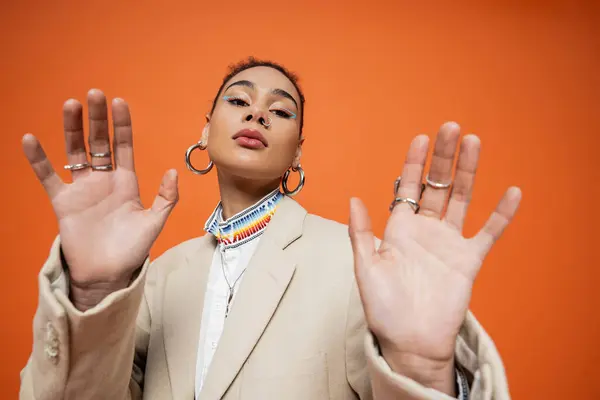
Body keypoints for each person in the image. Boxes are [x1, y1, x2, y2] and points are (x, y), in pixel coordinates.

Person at [18, 57, 521, 400]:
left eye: (280, 111)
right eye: (238, 102)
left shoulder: (357, 265)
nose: (257, 112)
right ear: (206, 128)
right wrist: (94, 293)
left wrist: (423, 369)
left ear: (297, 150)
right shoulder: (161, 277)